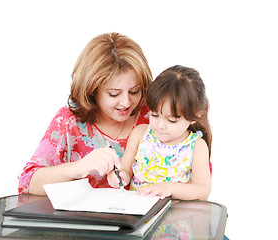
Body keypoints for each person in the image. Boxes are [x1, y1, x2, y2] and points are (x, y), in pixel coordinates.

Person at [18, 32, 153, 195]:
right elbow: (27, 182)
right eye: (114, 94)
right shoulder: (68, 122)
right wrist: (78, 168)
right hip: (81, 219)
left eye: (134, 91)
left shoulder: (154, 116)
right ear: (92, 90)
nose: (126, 103)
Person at [108, 65, 212, 200]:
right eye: (154, 115)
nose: (160, 126)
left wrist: (169, 188)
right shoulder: (140, 134)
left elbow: (203, 190)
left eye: (172, 120)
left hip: (176, 217)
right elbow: (126, 172)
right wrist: (119, 177)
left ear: (195, 116)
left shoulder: (196, 146)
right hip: (138, 213)